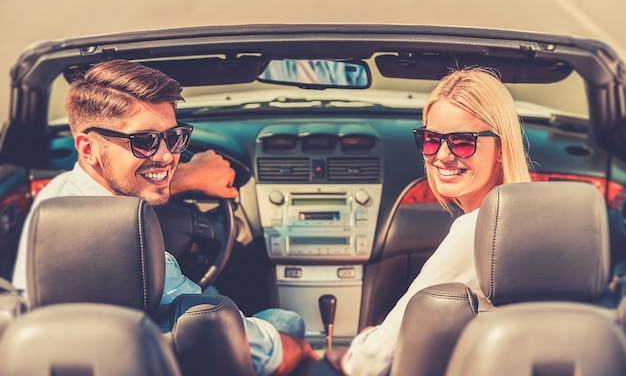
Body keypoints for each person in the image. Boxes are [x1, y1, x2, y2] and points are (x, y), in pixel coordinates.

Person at [12, 59, 317, 376]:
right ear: (88, 148)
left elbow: (125, 180)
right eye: (142, 141)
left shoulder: (54, 195)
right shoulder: (135, 250)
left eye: (174, 137)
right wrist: (302, 351)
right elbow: (241, 340)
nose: (167, 156)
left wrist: (188, 176)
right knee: (286, 322)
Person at [327, 67, 533, 375]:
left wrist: (348, 350)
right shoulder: (531, 222)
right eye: (431, 139)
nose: (442, 155)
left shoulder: (479, 231)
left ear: (501, 148)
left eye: (463, 141)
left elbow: (371, 361)